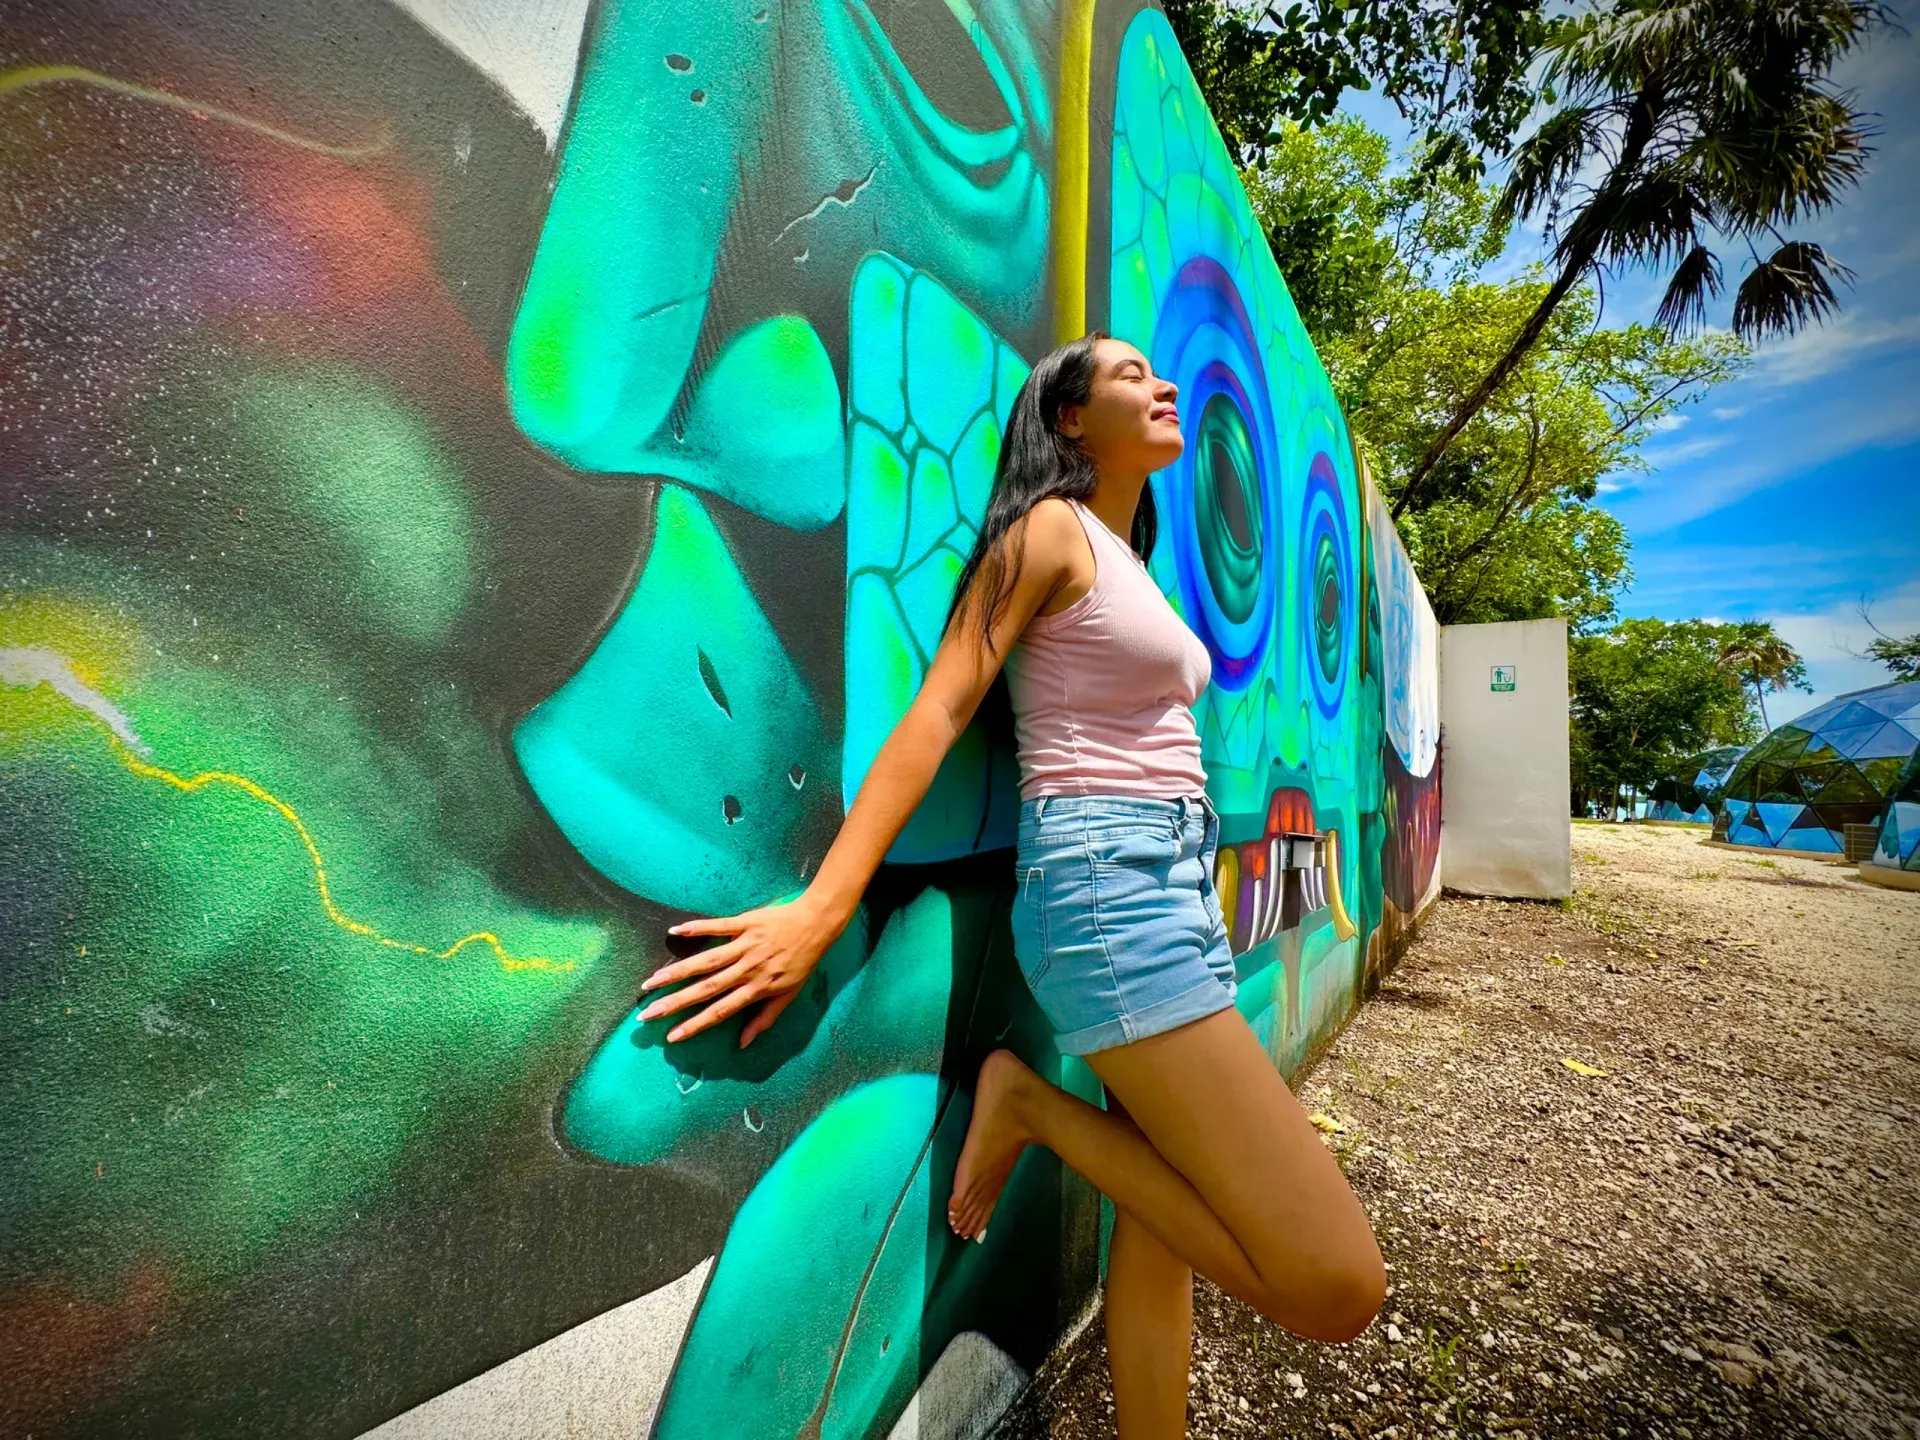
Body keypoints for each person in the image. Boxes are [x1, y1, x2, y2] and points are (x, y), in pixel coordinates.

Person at [636, 333, 1386, 1437]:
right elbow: (939, 709)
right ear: (1069, 419)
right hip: (1110, 892)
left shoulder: (1130, 555)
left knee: (1161, 1230)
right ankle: (1029, 1105)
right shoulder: (1047, 532)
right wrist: (824, 904)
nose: (1163, 385)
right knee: (1337, 1285)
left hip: (1167, 889)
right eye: (1133, 377)